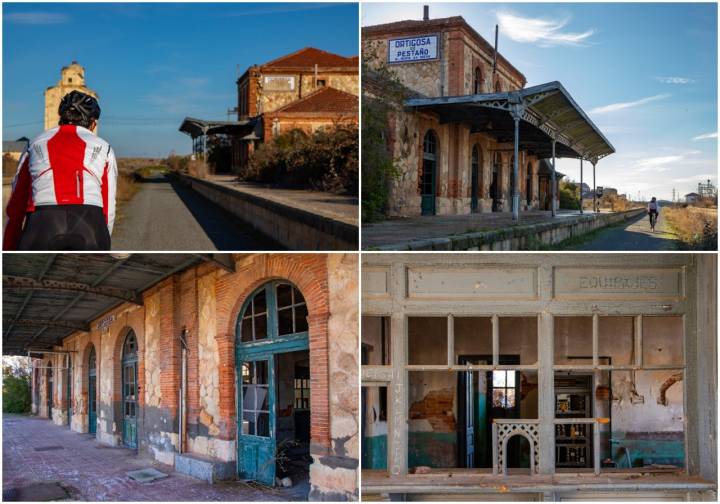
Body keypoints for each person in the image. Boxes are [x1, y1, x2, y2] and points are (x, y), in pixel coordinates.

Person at [4, 91, 117, 250]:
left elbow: (16, 205)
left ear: (61, 119)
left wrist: (8, 248)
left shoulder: (34, 143)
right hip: (90, 221)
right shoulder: (104, 147)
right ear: (93, 123)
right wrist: (103, 238)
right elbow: (109, 206)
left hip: (42, 222)